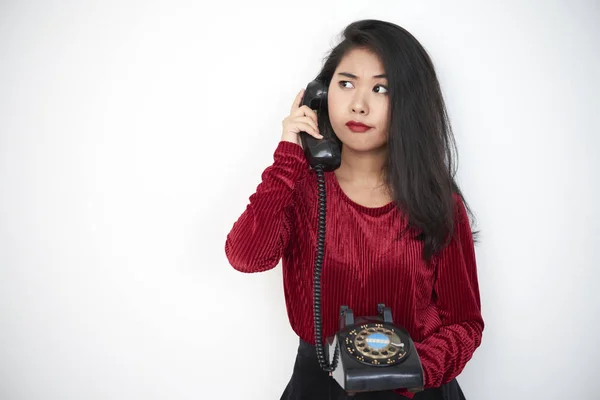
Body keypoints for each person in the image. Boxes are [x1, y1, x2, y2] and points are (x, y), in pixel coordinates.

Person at [224, 19, 484, 400]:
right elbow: (246, 257)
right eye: (346, 84)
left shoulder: (437, 202)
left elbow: (464, 323)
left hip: (415, 386)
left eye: (381, 89)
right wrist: (289, 158)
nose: (358, 105)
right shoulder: (299, 189)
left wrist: (407, 372)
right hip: (320, 384)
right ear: (321, 95)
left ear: (409, 103)